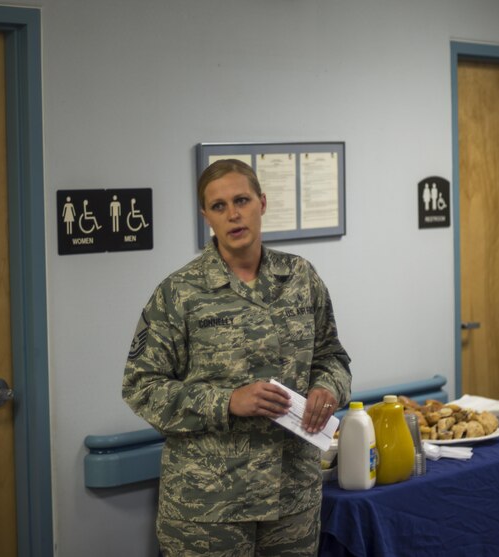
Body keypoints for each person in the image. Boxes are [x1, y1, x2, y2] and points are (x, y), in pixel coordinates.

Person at [122, 158, 351, 556]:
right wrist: (226, 402)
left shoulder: (301, 278)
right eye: (219, 206)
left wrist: (327, 389)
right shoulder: (180, 292)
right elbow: (141, 386)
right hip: (208, 507)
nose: (233, 215)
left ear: (262, 202)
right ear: (205, 216)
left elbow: (333, 357)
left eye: (241, 200)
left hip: (291, 497)